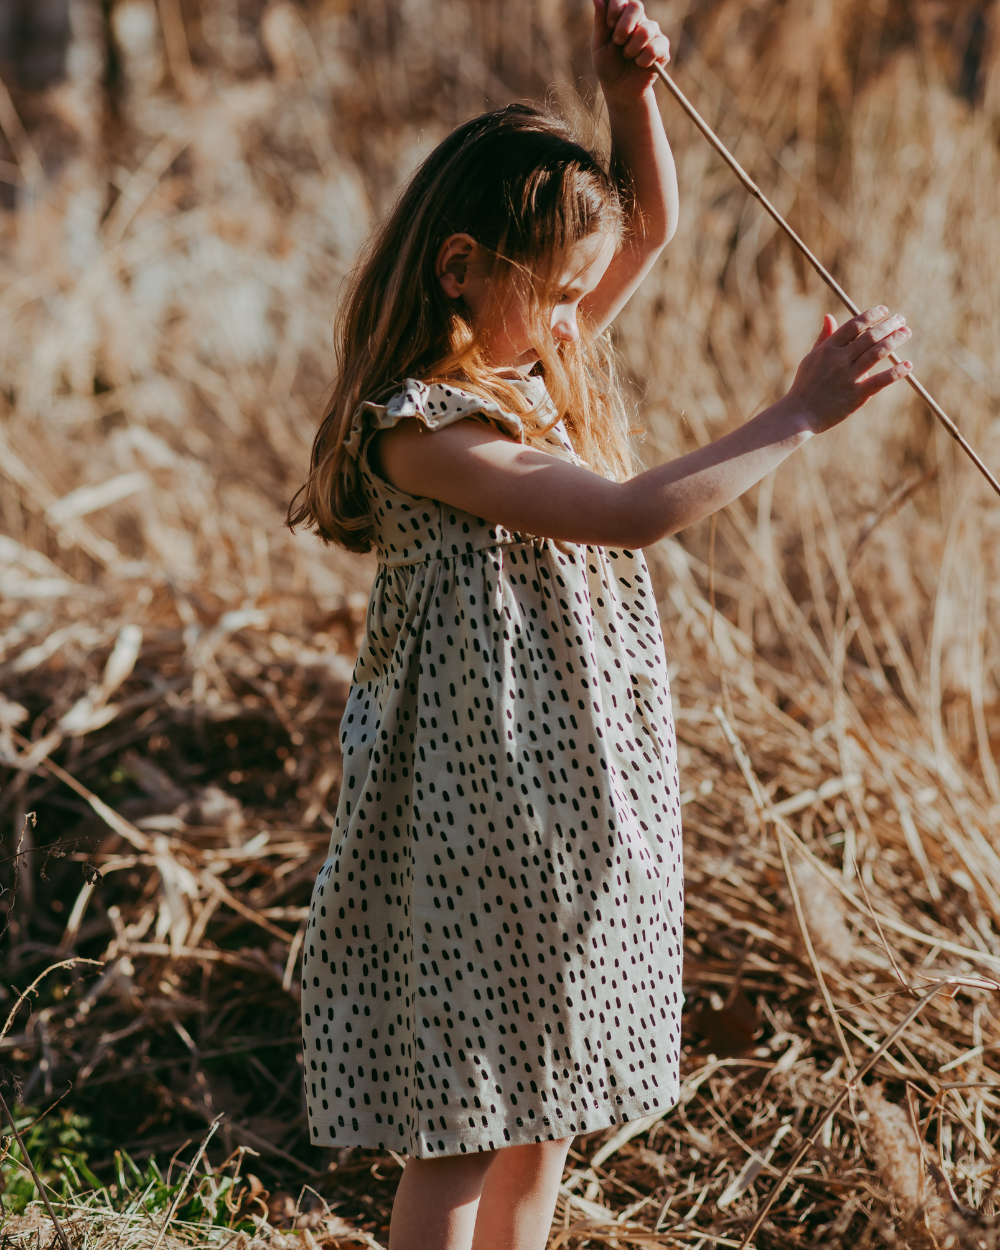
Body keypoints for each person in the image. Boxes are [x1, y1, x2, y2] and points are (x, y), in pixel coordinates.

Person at [288, 0, 913, 1246]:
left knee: (546, 1108)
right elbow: (630, 513)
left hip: (579, 791)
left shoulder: (532, 362)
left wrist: (627, 98)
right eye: (558, 289)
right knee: (465, 1121)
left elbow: (655, 224)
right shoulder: (427, 429)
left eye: (586, 289)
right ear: (459, 267)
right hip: (475, 808)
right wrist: (792, 416)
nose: (582, 313)